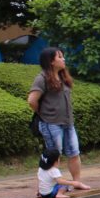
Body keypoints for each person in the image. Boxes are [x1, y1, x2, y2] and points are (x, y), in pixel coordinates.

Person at [27, 48, 88, 187]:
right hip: (51, 123)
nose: (63, 59)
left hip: (67, 122)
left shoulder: (62, 77)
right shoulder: (41, 78)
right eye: (60, 57)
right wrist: (43, 113)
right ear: (51, 61)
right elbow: (32, 100)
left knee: (74, 152)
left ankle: (77, 182)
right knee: (54, 155)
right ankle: (49, 186)